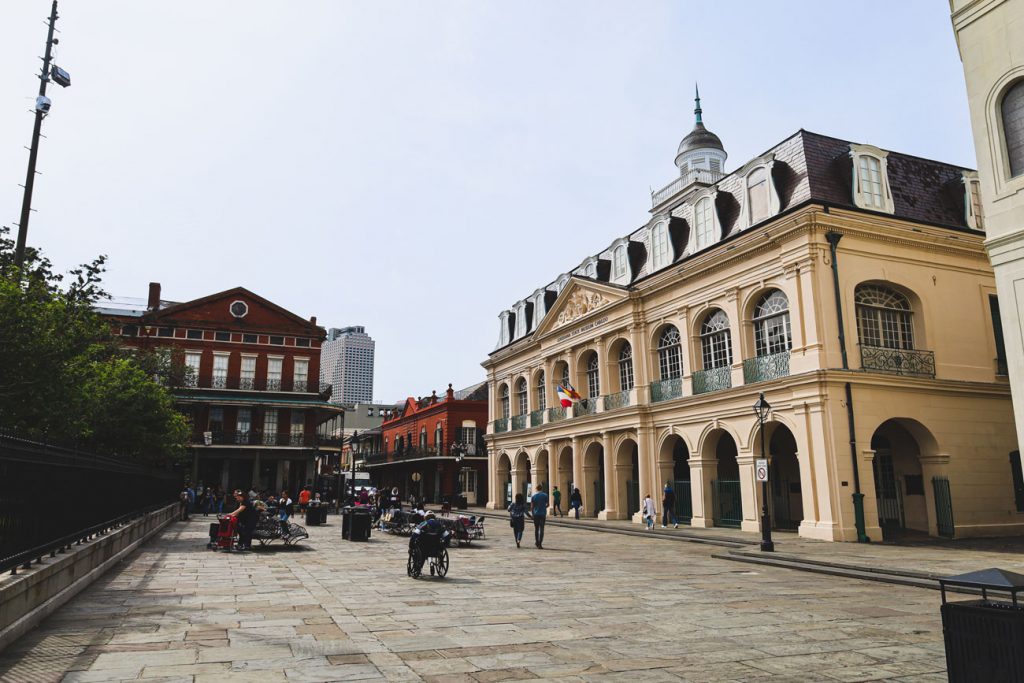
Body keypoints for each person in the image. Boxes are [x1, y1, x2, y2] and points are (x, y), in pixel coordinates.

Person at [528, 483, 549, 548]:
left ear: (536, 489)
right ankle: (540, 543)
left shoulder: (534, 496)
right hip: (543, 514)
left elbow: (532, 507)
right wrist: (544, 507)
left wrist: (532, 514)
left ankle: (537, 541)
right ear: (541, 488)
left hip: (536, 514)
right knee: (542, 529)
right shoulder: (545, 495)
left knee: (536, 529)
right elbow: (548, 504)